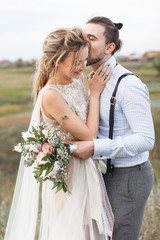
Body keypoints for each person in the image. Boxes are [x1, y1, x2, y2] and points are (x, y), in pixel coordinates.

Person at [4, 27, 114, 240]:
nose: (83, 67)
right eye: (78, 62)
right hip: (70, 176)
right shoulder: (51, 95)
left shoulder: (75, 80)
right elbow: (89, 135)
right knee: (76, 232)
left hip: (85, 166)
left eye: (85, 60)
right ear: (58, 60)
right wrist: (96, 93)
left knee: (91, 231)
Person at [72, 17, 155, 240]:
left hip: (128, 177)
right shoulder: (92, 79)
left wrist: (94, 147)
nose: (83, 43)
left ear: (109, 47)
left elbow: (146, 139)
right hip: (101, 173)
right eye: (82, 37)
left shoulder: (129, 85)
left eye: (91, 39)